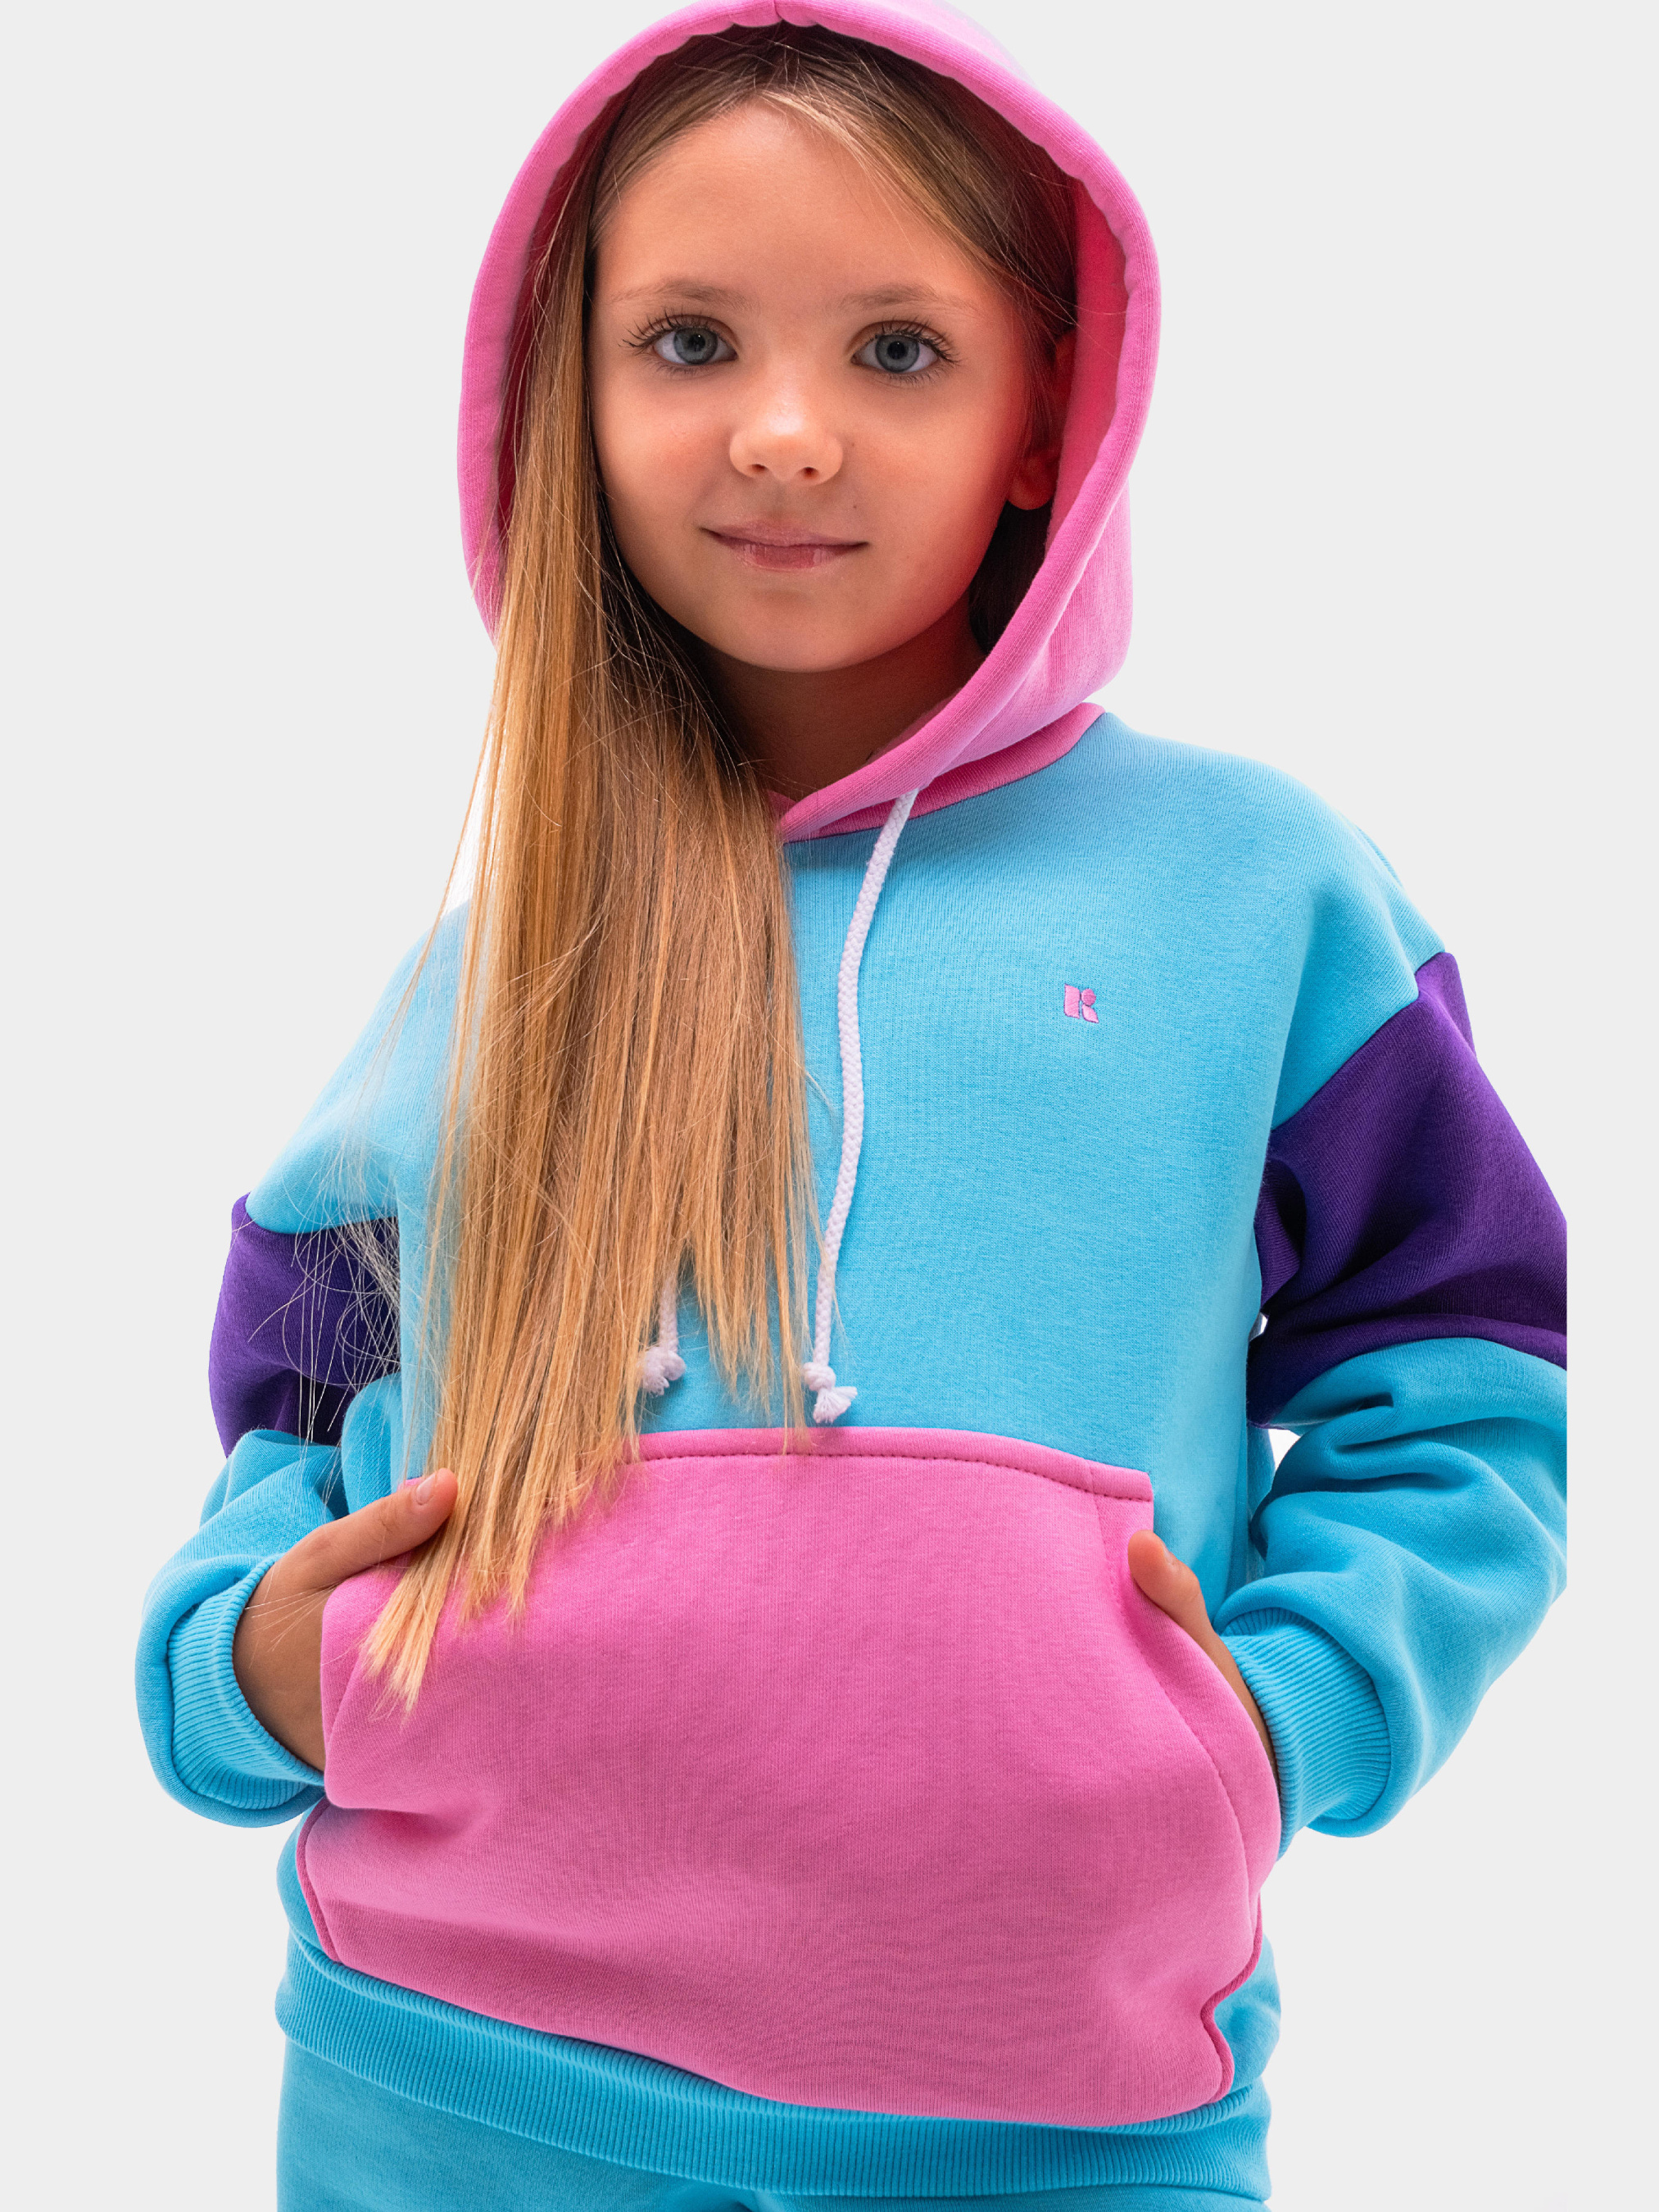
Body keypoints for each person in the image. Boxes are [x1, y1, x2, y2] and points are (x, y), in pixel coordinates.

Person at [136, 7, 1566, 2207]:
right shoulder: (492, 958)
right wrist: (251, 1664)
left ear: (1041, 414)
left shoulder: (1257, 892)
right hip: (444, 2081)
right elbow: (296, 1410)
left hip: (1058, 2111)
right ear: (568, 403)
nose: (785, 434)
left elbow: (1466, 1373)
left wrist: (1281, 1719)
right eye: (687, 341)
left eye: (896, 351)